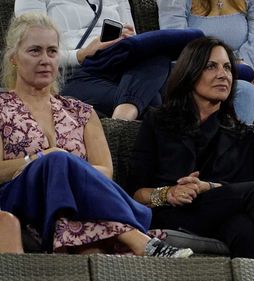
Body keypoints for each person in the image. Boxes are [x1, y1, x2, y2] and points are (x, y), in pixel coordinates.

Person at [0, 12, 192, 258]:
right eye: (35, 51)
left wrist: (66, 169)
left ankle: (84, 247)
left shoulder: (81, 111)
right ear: (14, 57)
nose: (45, 60)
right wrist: (43, 158)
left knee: (90, 245)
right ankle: (138, 239)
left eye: (52, 51)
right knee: (57, 160)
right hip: (17, 200)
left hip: (73, 206)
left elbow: (104, 171)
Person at [127, 36, 254, 260]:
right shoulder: (158, 122)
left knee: (243, 228)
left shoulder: (242, 135)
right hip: (170, 213)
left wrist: (209, 187)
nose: (223, 75)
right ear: (190, 72)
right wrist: (168, 193)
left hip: (216, 213)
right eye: (211, 66)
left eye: (227, 68)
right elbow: (134, 193)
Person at [15, 0, 202, 121]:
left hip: (118, 62)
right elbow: (33, 52)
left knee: (158, 54)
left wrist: (126, 37)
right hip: (74, 73)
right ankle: (125, 113)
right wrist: (81, 54)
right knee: (153, 101)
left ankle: (123, 115)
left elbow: (135, 39)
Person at [157, 0, 254, 121]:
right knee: (244, 91)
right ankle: (235, 150)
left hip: (248, 75)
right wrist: (236, 67)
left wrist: (246, 70)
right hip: (199, 81)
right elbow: (181, 49)